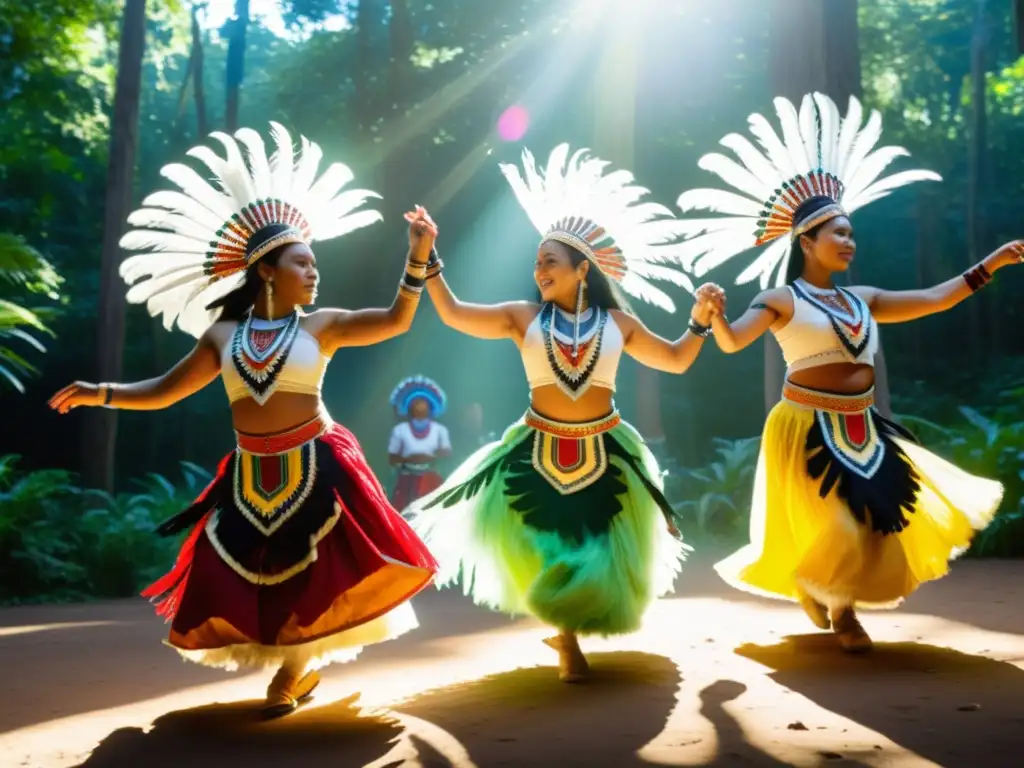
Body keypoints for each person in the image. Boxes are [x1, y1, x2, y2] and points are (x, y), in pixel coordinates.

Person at [48, 123, 439, 716]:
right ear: (266, 270)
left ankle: (293, 670)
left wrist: (417, 257)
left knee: (320, 571)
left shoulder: (321, 325)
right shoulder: (222, 335)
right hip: (250, 472)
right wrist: (101, 392)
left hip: (319, 460)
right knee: (255, 573)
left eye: (315, 264)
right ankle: (293, 668)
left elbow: (394, 321)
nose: (314, 273)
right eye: (302, 263)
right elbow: (162, 392)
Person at [675, 92, 1014, 652]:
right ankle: (843, 612)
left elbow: (933, 298)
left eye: (852, 233)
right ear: (806, 241)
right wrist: (710, 316)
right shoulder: (780, 297)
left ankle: (828, 593)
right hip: (804, 426)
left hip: (864, 425)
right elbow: (734, 344)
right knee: (837, 524)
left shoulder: (864, 297)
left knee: (880, 521)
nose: (849, 241)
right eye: (838, 233)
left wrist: (990, 265)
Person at [404, 144, 719, 681]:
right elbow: (454, 313)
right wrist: (426, 256)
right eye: (537, 261)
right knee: (549, 546)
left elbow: (675, 360)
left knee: (596, 549)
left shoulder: (618, 324)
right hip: (535, 446)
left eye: (549, 260)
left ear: (582, 269)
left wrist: (700, 320)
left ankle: (570, 627)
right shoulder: (520, 317)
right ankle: (569, 639)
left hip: (608, 447)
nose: (539, 269)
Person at [388, 375, 452, 510]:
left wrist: (429, 458)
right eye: (416, 403)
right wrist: (411, 459)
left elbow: (447, 454)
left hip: (432, 481)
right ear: (409, 406)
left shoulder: (440, 430)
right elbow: (393, 459)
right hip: (406, 483)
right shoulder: (400, 431)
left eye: (423, 403)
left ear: (430, 405)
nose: (420, 407)